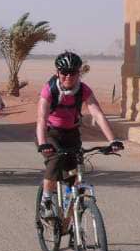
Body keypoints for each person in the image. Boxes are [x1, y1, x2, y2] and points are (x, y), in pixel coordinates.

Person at [36, 51, 123, 219]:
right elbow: (41, 119)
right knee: (55, 161)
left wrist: (112, 140)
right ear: (57, 73)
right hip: (50, 133)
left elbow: (97, 114)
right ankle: (46, 200)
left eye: (73, 72)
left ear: (79, 73)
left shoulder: (83, 90)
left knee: (75, 172)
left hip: (71, 132)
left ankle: (71, 215)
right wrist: (43, 143)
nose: (68, 76)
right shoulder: (49, 90)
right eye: (64, 72)